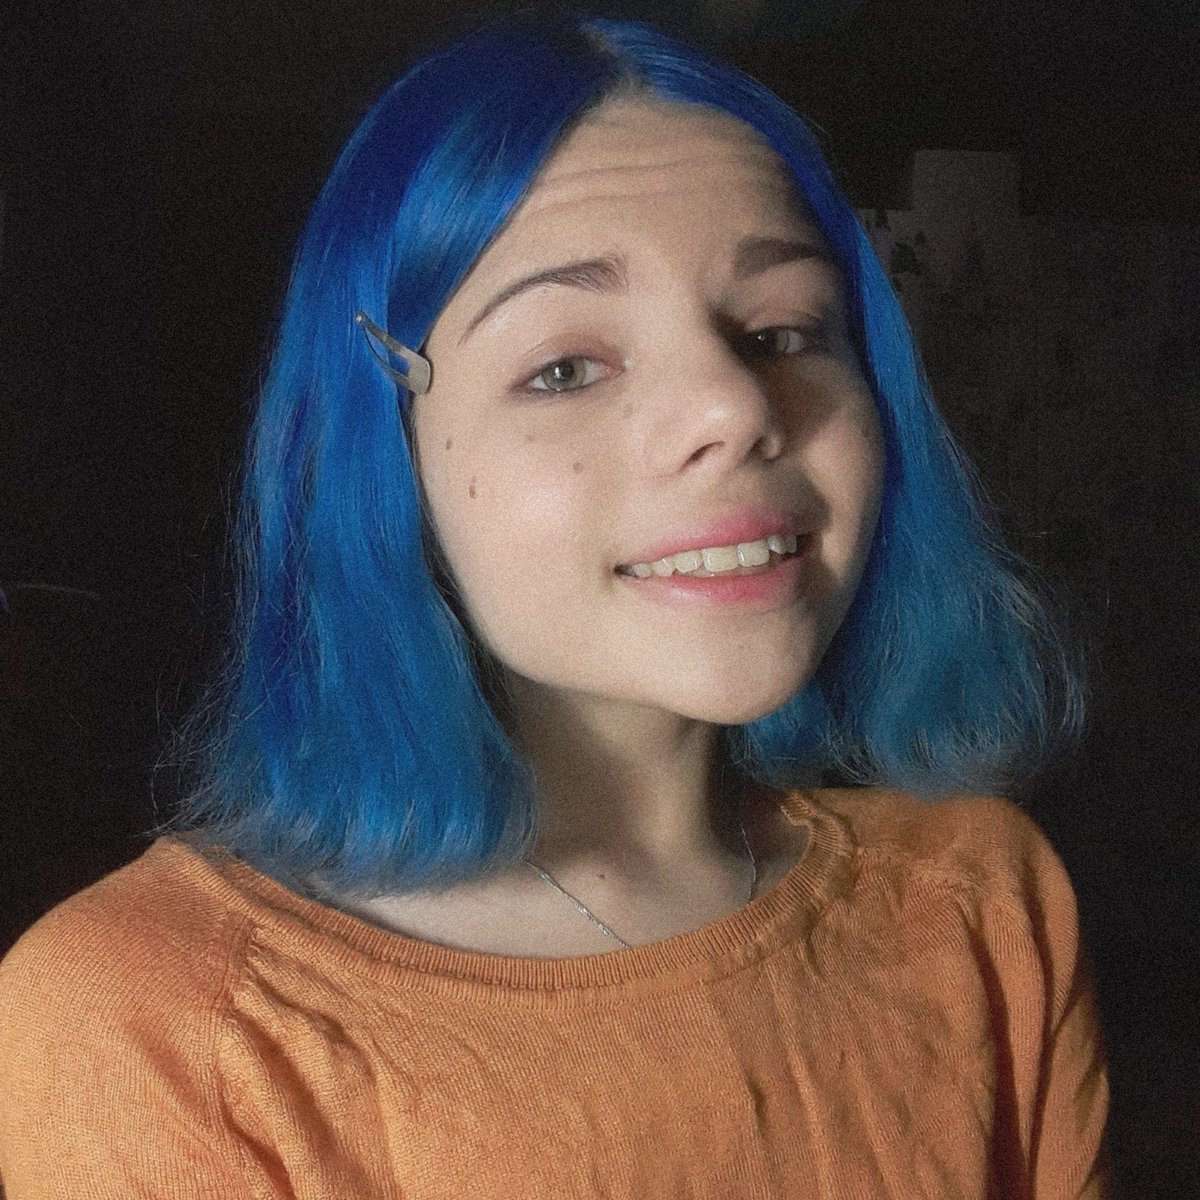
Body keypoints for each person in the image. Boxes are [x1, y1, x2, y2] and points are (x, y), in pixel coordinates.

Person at [0, 14, 1108, 1197]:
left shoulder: (981, 905)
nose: (737, 407)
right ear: (386, 461)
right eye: (566, 367)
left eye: (782, 332)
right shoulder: (160, 1031)